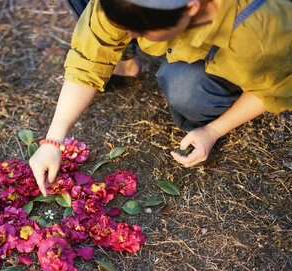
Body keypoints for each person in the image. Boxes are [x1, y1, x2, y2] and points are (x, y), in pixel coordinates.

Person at [29, 0, 292, 197]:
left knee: (188, 92)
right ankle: (127, 64)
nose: (128, 37)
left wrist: (211, 131)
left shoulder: (263, 35)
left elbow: (269, 89)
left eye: (138, 31)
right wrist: (53, 139)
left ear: (191, 7)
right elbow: (90, 55)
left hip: (249, 38)